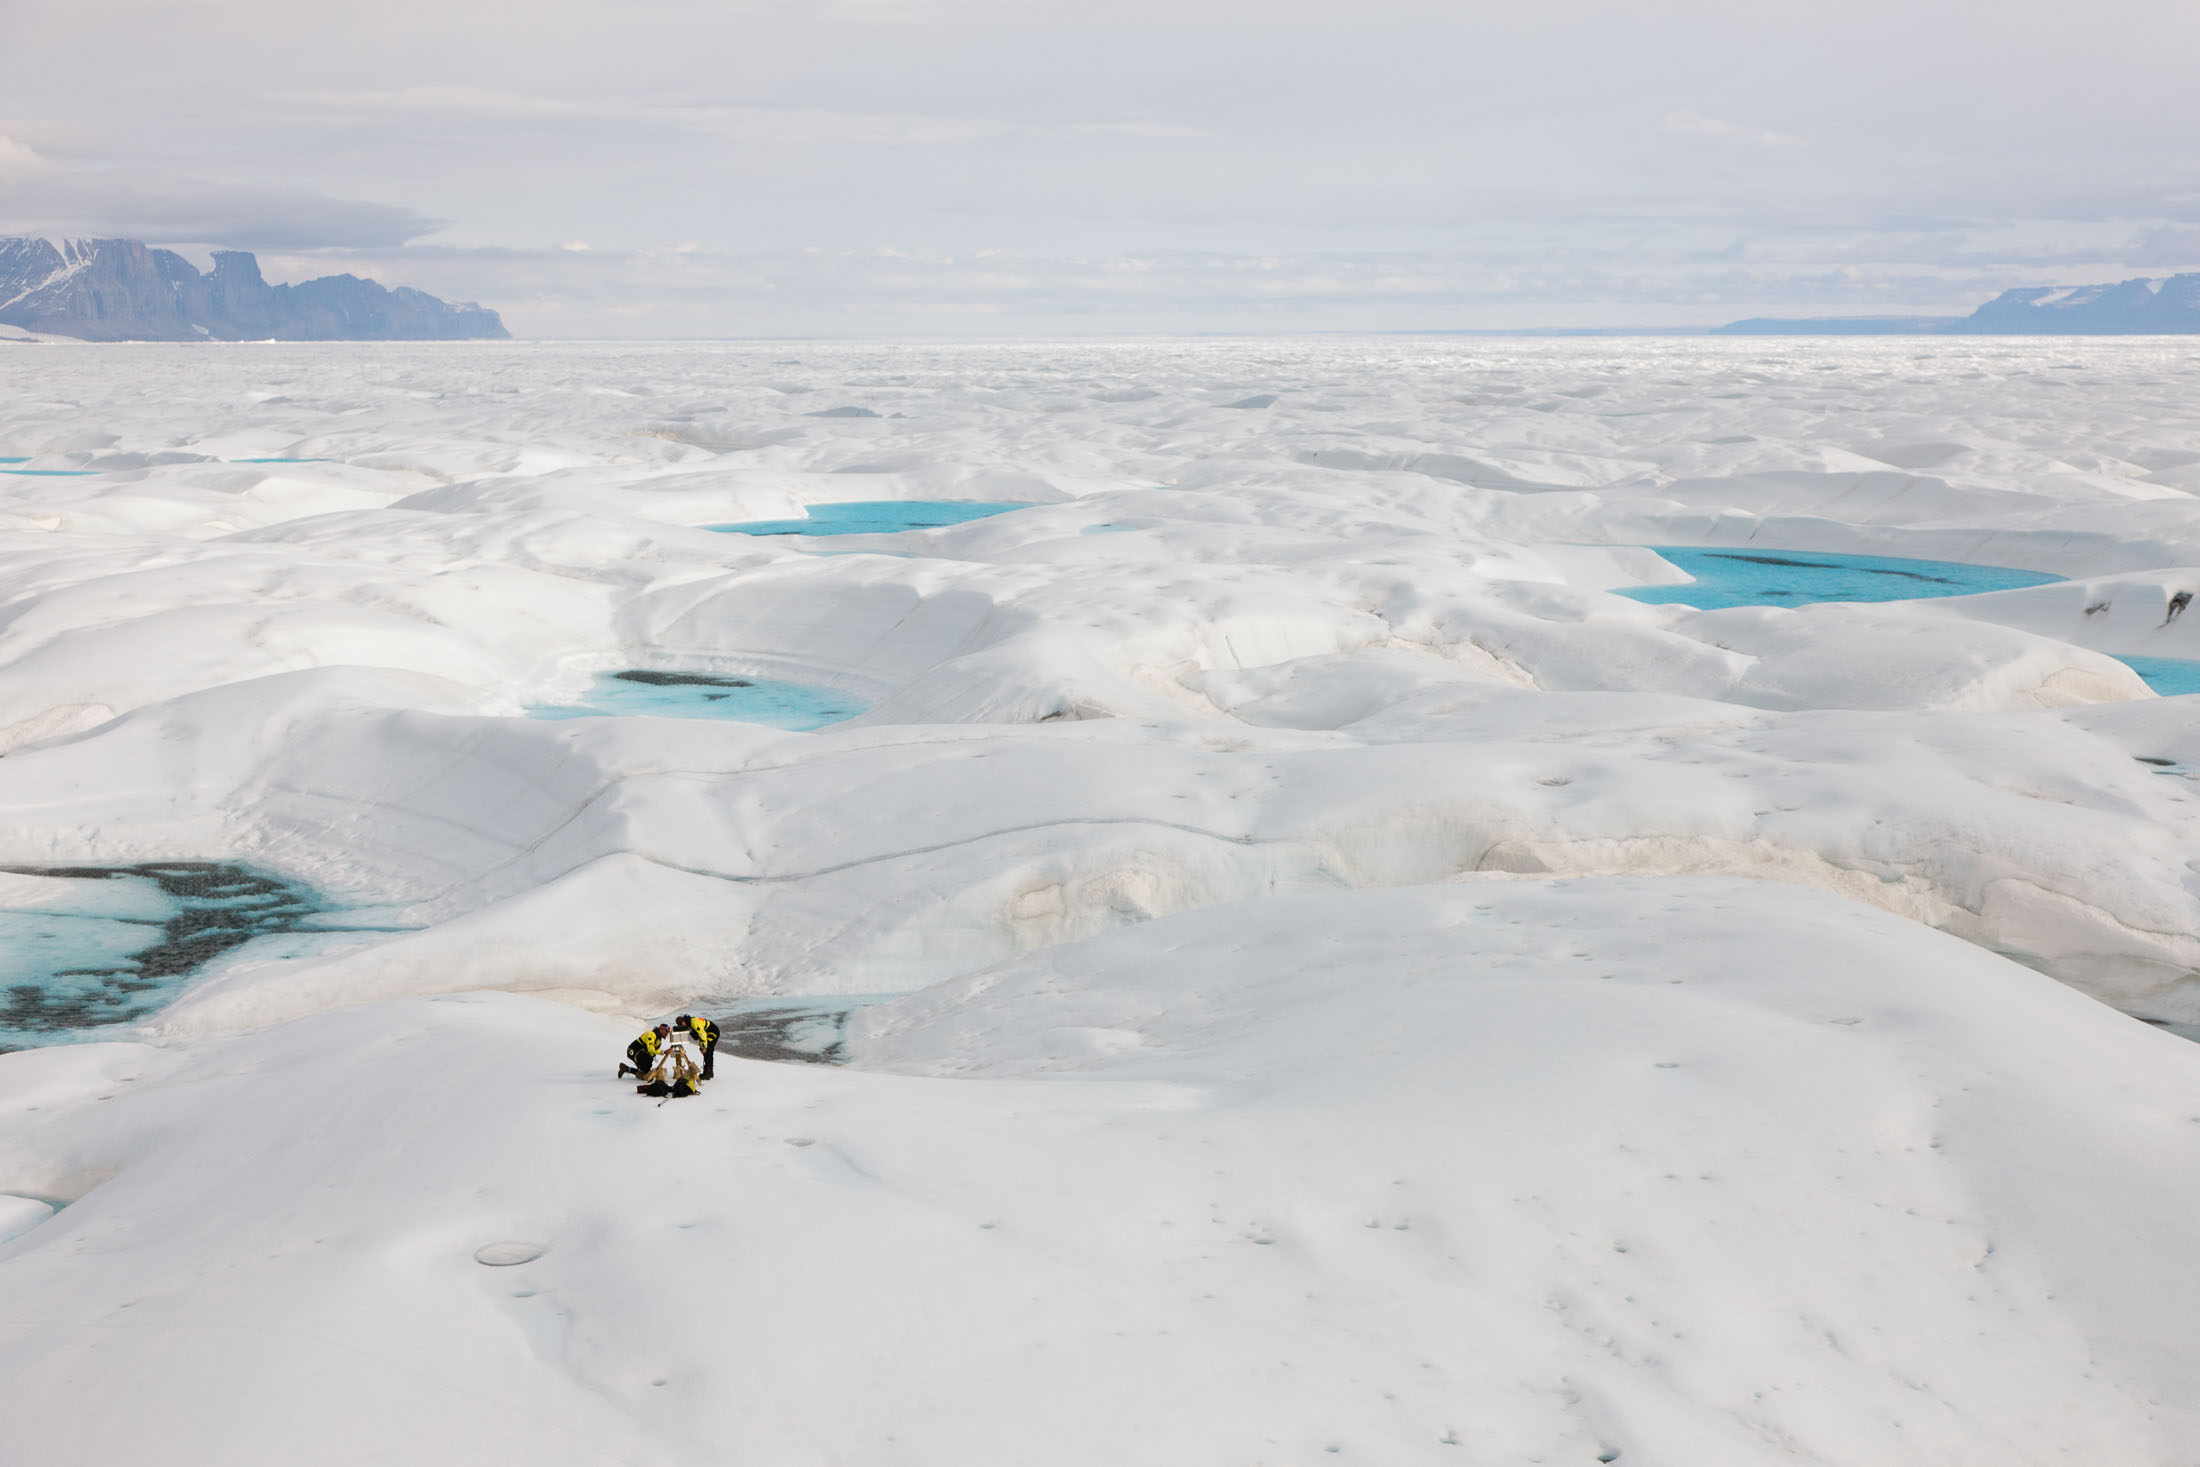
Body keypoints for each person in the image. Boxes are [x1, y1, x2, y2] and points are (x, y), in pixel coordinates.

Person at [675, 1015, 721, 1080]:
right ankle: (709, 1072)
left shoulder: (694, 1023)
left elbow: (702, 1035)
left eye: (681, 1025)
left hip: (713, 1033)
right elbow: (696, 1037)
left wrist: (704, 1047)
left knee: (708, 1052)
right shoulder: (689, 1022)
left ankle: (707, 1074)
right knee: (707, 1053)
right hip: (707, 1033)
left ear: (683, 1022)